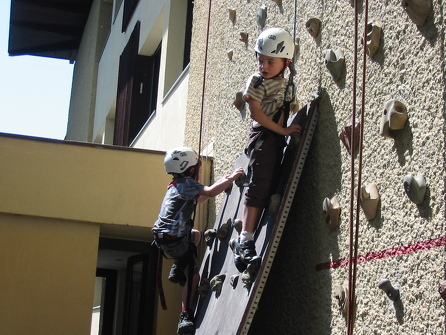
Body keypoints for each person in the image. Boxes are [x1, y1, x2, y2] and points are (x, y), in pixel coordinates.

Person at [152, 147, 245, 334]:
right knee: (193, 276)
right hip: (175, 239)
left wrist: (222, 181)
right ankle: (185, 315)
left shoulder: (176, 185)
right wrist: (231, 178)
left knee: (196, 235)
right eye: (198, 167)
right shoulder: (187, 182)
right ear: (190, 168)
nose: (199, 170)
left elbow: (199, 199)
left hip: (163, 238)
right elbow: (209, 193)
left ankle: (178, 265)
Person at [230, 27, 301, 267]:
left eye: (271, 61)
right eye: (261, 60)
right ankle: (245, 239)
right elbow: (257, 114)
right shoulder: (256, 82)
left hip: (275, 137)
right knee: (258, 185)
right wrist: (283, 130)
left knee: (267, 183)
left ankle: (242, 246)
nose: (264, 65)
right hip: (263, 136)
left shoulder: (284, 82)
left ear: (286, 62)